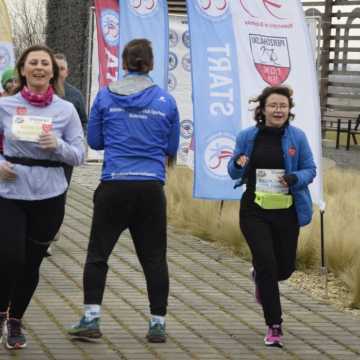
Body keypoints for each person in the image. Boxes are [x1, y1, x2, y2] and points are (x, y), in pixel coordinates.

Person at [68, 38, 180, 343]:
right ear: (153, 64)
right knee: (154, 258)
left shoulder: (105, 97)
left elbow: (95, 141)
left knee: (98, 254)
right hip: (150, 188)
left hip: (115, 184)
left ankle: (91, 319)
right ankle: (157, 324)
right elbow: (171, 147)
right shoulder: (167, 102)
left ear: (124, 63)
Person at [0, 44, 85, 350]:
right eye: (32, 62)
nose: (38, 67)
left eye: (44, 63)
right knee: (9, 258)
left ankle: (15, 320)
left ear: (53, 71)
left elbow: (80, 155)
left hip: (50, 195)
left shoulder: (65, 110)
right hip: (10, 192)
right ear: (23, 69)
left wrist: (57, 146)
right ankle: (1, 309)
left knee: (31, 264)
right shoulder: (5, 106)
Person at [227, 86, 316, 348]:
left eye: (283, 106)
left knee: (284, 268)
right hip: (254, 210)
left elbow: (310, 169)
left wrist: (294, 178)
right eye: (273, 105)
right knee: (266, 262)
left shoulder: (297, 138)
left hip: (286, 211)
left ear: (289, 110)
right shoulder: (247, 137)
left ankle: (261, 277)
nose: (278, 110)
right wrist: (237, 164)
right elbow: (233, 172)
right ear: (263, 109)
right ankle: (274, 325)